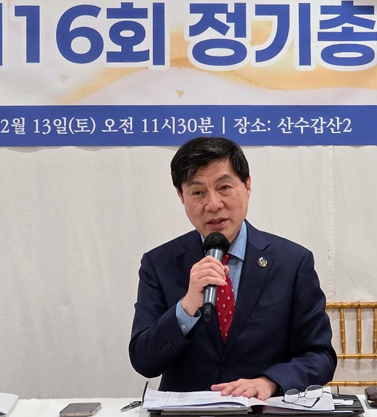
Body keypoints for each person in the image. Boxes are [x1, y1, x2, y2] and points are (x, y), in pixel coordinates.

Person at [129, 137, 336, 400]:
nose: (213, 204)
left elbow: (320, 356)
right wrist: (186, 307)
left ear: (247, 185)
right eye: (198, 192)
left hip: (263, 413)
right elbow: (144, 361)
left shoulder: (292, 262)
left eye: (224, 187)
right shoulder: (159, 264)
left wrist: (270, 382)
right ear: (181, 196)